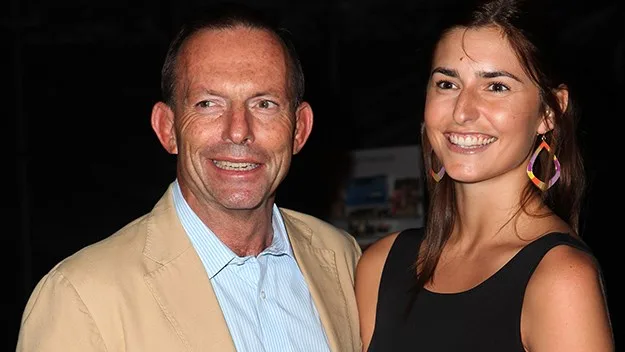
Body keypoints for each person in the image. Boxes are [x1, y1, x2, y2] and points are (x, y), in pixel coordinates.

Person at [16, 4, 362, 351]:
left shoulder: (343, 259)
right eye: (208, 104)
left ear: (299, 129)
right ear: (167, 129)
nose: (238, 131)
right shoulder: (81, 297)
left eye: (264, 104)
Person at [355, 0, 615, 351]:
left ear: (549, 112)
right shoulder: (381, 265)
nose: (463, 111)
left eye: (496, 87)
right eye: (447, 84)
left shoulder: (560, 277)